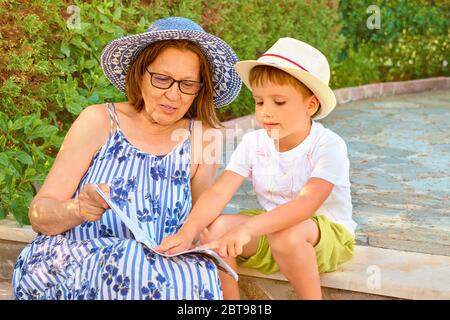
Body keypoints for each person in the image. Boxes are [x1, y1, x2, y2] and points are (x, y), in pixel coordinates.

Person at [12, 16, 242, 300]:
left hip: (157, 272)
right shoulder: (98, 121)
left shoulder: (202, 137)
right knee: (126, 261)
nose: (173, 95)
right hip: (73, 264)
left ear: (200, 89)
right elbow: (39, 215)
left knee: (191, 275)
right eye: (162, 79)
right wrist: (78, 209)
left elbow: (203, 222)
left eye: (187, 84)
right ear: (139, 74)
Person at [157, 37, 357, 300]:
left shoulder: (328, 145)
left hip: (326, 238)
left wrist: (249, 229)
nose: (265, 112)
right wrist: (188, 232)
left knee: (286, 233)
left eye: (279, 102)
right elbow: (219, 192)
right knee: (216, 229)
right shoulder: (253, 142)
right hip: (272, 232)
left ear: (311, 105)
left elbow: (305, 206)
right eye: (260, 102)